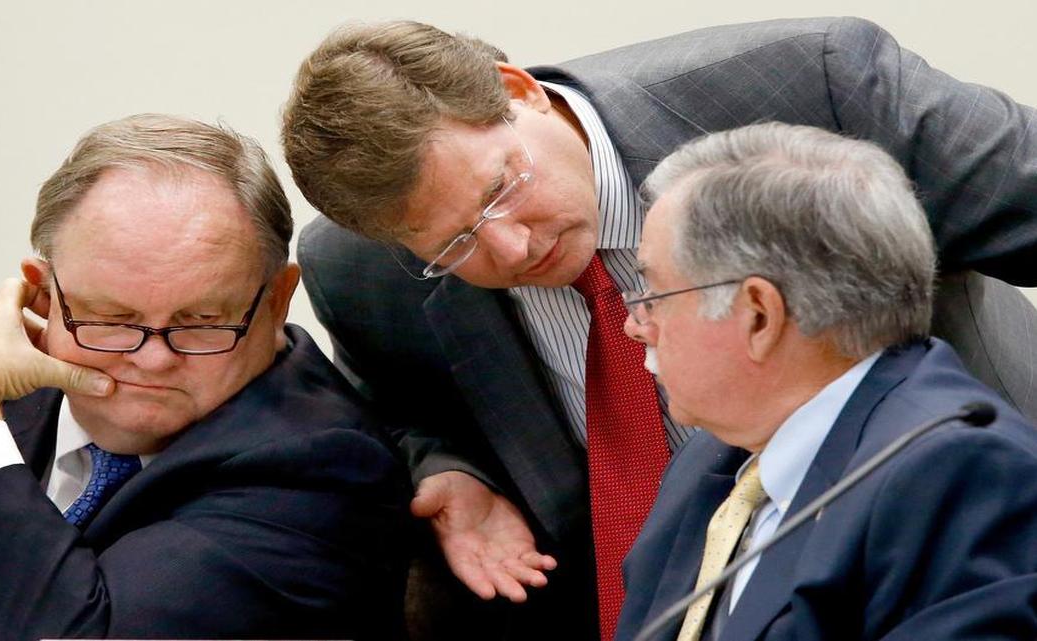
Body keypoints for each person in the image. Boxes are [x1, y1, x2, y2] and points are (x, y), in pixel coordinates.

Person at [282, 17, 1037, 640]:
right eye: (453, 246)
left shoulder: (814, 83)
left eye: (501, 189)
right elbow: (398, 409)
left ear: (521, 93)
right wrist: (448, 468)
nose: (511, 248)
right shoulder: (359, 272)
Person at [0, 114, 411, 640]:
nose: (153, 359)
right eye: (111, 319)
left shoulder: (326, 473)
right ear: (44, 296)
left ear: (278, 300)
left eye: (202, 321)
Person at [615, 121, 1037, 640]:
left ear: (758, 316)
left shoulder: (959, 473)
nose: (637, 323)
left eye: (654, 293)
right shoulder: (711, 460)